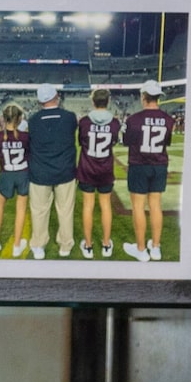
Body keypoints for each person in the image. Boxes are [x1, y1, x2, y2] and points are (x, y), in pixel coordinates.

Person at [123, 79, 176, 261]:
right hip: (159, 165)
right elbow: (166, 143)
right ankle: (155, 247)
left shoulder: (133, 119)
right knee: (155, 206)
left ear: (144, 96)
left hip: (139, 164)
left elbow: (127, 141)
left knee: (138, 206)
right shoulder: (169, 120)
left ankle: (140, 249)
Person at [27, 83, 79, 259]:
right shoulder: (70, 117)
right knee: (65, 210)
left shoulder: (33, 120)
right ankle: (65, 245)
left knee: (39, 210)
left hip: (40, 172)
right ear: (56, 96)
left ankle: (39, 245)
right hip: (65, 171)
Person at [79, 87, 121, 259]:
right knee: (105, 206)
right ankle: (106, 244)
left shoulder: (84, 122)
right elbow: (114, 142)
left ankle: (88, 246)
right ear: (108, 101)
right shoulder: (115, 122)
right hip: (105, 168)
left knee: (88, 206)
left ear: (93, 101)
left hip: (87, 167)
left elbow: (81, 142)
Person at [0, 101, 30, 256]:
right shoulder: (26, 137)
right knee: (21, 209)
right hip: (23, 173)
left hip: (6, 173)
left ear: (4, 118)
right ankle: (17, 246)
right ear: (19, 119)